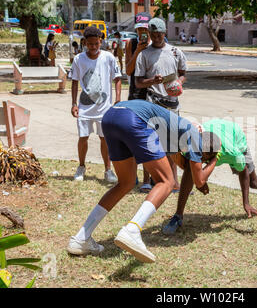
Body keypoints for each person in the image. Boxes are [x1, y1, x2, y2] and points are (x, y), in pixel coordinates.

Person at [67, 99, 221, 263]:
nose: (199, 161)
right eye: (202, 159)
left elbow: (181, 163)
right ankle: (132, 230)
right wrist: (214, 161)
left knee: (125, 183)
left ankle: (81, 238)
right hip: (134, 118)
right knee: (167, 182)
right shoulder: (195, 138)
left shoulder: (176, 134)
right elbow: (199, 181)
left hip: (111, 117)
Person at [162, 118, 257, 234]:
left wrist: (246, 203)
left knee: (253, 181)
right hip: (215, 131)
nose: (198, 157)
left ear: (211, 156)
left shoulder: (232, 153)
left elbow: (243, 172)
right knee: (190, 170)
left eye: (202, 156)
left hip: (236, 137)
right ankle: (178, 216)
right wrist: (201, 181)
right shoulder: (195, 140)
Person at [135, 17, 187, 193]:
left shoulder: (175, 52)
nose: (157, 38)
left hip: (172, 104)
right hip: (153, 102)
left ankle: (173, 182)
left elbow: (183, 73)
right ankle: (147, 181)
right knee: (150, 141)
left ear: (165, 33)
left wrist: (178, 84)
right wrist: (152, 80)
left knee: (172, 145)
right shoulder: (144, 55)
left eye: (160, 34)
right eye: (154, 35)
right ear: (149, 34)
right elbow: (138, 82)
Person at [69, 26, 121, 184]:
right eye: (90, 44)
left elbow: (117, 78)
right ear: (84, 43)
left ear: (101, 42)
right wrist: (73, 104)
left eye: (96, 44)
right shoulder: (79, 59)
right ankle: (81, 167)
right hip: (84, 108)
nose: (93, 47)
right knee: (83, 137)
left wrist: (117, 98)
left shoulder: (108, 58)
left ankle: (107, 169)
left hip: (104, 108)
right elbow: (74, 82)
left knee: (105, 139)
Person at [125, 12, 153, 193]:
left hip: (152, 95)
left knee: (150, 138)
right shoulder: (132, 43)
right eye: (139, 29)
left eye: (145, 29)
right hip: (135, 95)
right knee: (134, 137)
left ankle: (147, 178)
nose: (142, 32)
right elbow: (128, 70)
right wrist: (137, 51)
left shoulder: (157, 43)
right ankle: (133, 175)